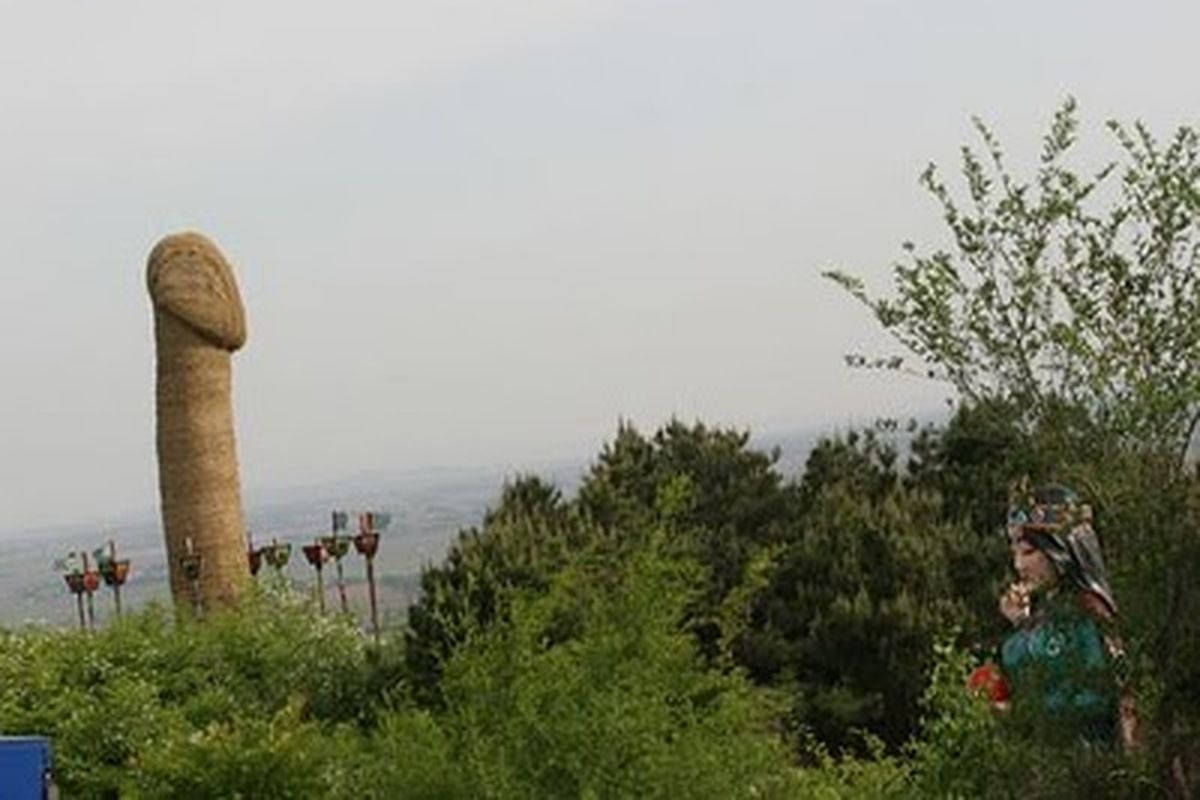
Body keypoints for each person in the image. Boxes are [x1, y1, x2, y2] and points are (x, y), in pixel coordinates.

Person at [993, 483, 1137, 749]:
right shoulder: (1046, 611)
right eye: (1014, 552)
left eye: (1028, 552)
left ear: (1062, 550)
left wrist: (1023, 711)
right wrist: (1022, 623)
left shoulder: (1090, 611)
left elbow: (1102, 695)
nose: (1018, 565)